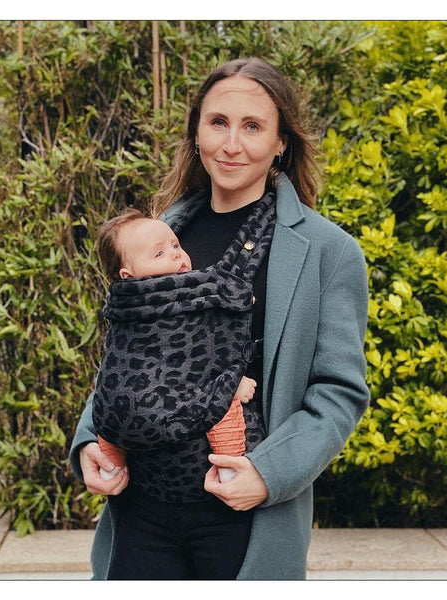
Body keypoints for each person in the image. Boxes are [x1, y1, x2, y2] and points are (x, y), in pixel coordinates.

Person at [70, 57, 370, 580]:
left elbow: (338, 392)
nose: (232, 144)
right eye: (218, 123)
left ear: (281, 142)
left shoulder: (329, 252)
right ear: (196, 133)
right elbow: (127, 358)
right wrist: (89, 442)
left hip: (243, 514)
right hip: (141, 511)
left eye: (252, 126)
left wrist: (269, 473)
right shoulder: (159, 237)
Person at [92, 209, 260, 483]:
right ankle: (229, 468)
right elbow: (116, 368)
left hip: (160, 435)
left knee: (111, 411)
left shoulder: (184, 294)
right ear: (128, 275)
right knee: (220, 406)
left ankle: (229, 469)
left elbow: (202, 353)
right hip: (143, 421)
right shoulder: (131, 310)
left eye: (176, 245)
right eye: (159, 254)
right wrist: (231, 383)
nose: (176, 255)